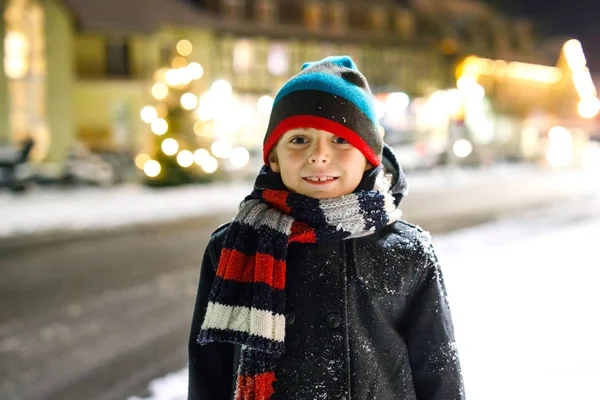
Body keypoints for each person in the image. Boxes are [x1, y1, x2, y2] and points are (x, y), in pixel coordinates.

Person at [188, 55, 465, 400]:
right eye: (299, 140)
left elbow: (439, 372)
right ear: (274, 156)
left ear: (369, 156)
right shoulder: (233, 247)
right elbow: (209, 373)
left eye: (340, 140)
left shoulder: (408, 250)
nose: (319, 155)